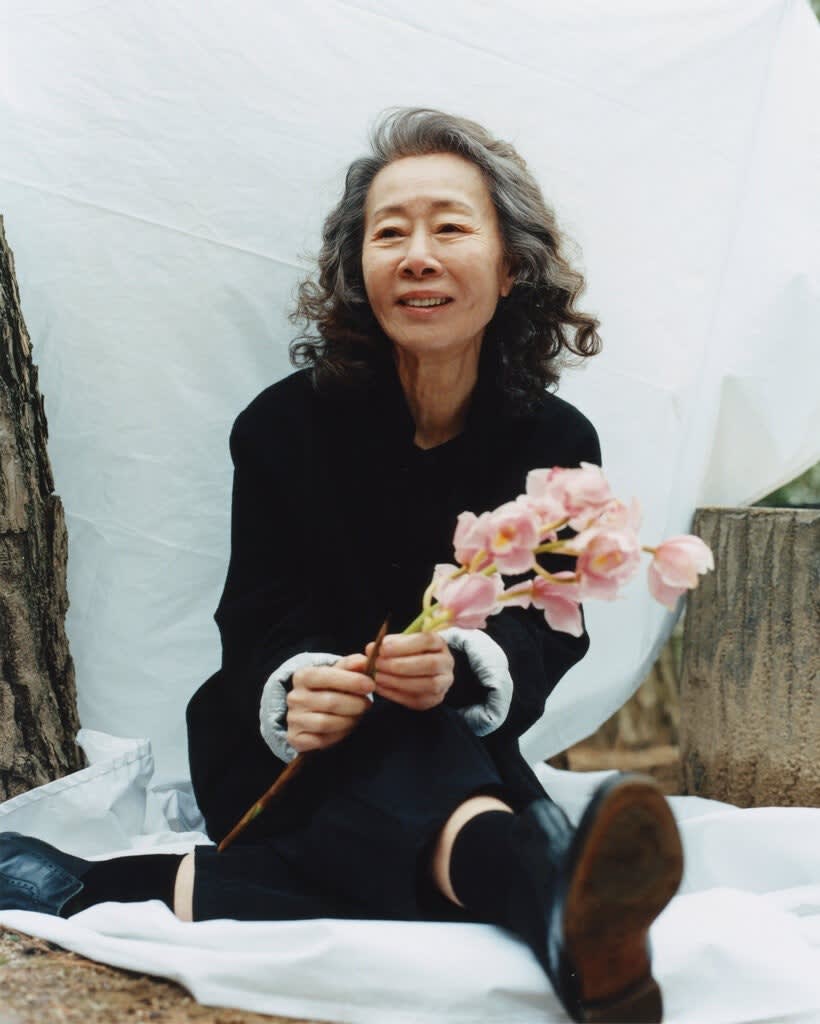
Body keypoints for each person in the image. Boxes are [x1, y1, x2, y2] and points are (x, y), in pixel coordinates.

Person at [0, 108, 683, 1023]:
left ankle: (112, 887)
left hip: (451, 748)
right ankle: (534, 879)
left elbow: (547, 627)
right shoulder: (281, 427)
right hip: (286, 753)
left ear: (511, 263)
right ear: (359, 271)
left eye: (450, 226)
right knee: (400, 737)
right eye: (389, 232)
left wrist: (464, 665)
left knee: (423, 728)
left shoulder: (558, 444)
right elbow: (256, 617)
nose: (417, 254)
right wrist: (303, 684)